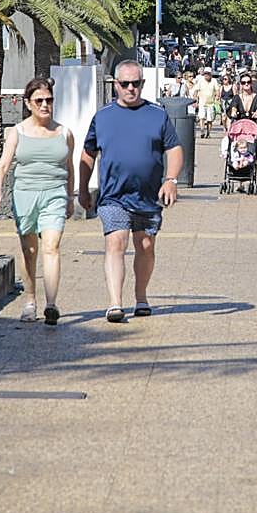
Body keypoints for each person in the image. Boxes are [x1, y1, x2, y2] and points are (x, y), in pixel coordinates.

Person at [79, 61, 183, 323]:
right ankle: (115, 303)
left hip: (148, 196)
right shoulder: (102, 117)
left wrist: (171, 180)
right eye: (124, 83)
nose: (130, 88)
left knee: (145, 245)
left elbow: (174, 148)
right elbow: (88, 153)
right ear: (115, 85)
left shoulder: (157, 115)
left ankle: (141, 296)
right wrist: (82, 188)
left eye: (135, 83)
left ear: (142, 84)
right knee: (116, 241)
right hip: (114, 195)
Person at [0, 78, 75, 326]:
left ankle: (51, 304)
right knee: (30, 252)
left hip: (55, 194)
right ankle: (30, 300)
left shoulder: (65, 133)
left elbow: (69, 168)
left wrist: (70, 198)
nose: (45, 105)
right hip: (25, 194)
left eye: (49, 100)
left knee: (52, 246)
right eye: (39, 101)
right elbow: (4, 164)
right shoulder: (18, 132)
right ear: (28, 104)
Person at [192, 67, 220, 139]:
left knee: (209, 119)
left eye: (208, 74)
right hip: (202, 102)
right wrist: (195, 100)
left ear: (210, 74)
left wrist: (217, 96)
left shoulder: (214, 81)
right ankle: (202, 131)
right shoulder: (201, 80)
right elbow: (196, 90)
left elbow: (217, 90)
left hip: (211, 103)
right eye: (205, 74)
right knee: (202, 117)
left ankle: (208, 133)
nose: (206, 75)